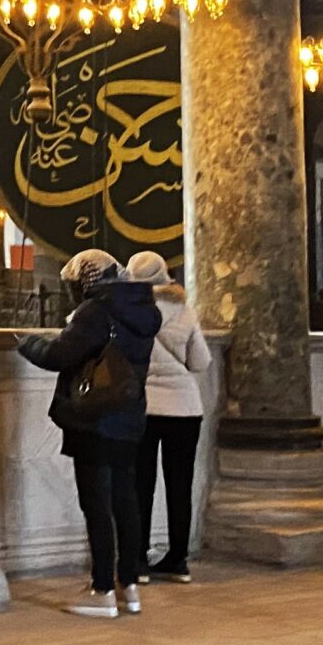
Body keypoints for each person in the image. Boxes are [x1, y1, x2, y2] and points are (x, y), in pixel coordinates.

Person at [19, 249, 161, 619]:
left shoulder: (95, 311)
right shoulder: (143, 309)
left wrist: (27, 343)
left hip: (94, 419)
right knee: (125, 501)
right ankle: (128, 585)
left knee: (96, 504)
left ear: (86, 281)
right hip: (129, 417)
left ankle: (101, 590)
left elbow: (59, 356)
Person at [130, 250, 210, 583]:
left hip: (145, 408)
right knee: (180, 484)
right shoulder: (186, 312)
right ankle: (178, 560)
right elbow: (200, 362)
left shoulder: (131, 312)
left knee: (140, 485)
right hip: (185, 409)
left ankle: (138, 560)